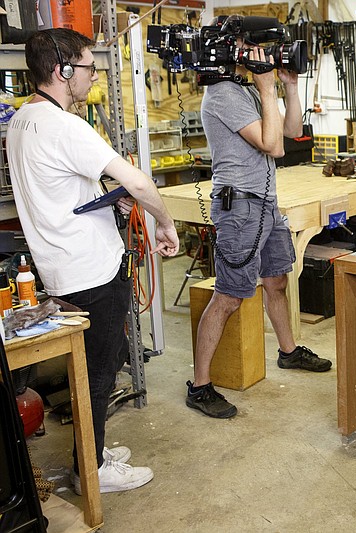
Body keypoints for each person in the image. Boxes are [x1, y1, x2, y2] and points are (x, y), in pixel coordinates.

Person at [7, 28, 180, 494]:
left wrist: (105, 199)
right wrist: (164, 221)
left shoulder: (23, 120)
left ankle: (93, 449)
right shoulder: (67, 126)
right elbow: (141, 183)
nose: (92, 76)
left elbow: (57, 193)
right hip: (92, 269)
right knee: (102, 368)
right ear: (64, 71)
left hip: (61, 265)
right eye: (87, 67)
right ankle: (92, 472)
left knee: (95, 364)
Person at [188, 33, 331, 419]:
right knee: (230, 297)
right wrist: (266, 86)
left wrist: (289, 86)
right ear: (231, 51)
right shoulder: (224, 95)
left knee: (277, 282)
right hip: (240, 209)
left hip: (265, 202)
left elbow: (292, 131)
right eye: (253, 49)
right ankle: (199, 385)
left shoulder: (246, 88)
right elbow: (275, 147)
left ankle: (288, 352)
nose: (262, 55)